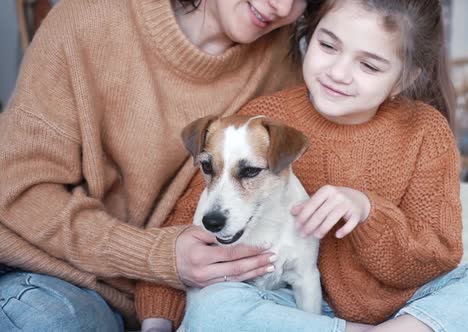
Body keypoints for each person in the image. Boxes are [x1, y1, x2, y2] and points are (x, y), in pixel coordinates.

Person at [136, 0, 468, 331]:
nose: (338, 72)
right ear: (308, 36)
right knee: (214, 310)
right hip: (283, 305)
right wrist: (158, 315)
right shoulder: (263, 119)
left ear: (405, 78)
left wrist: (368, 211)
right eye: (328, 45)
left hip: (405, 305)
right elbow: (187, 229)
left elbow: (437, 255)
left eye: (368, 65)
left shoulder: (425, 130)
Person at [0, 0, 318, 330]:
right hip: (45, 271)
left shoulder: (288, 62)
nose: (281, 6)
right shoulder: (86, 20)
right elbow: (17, 192)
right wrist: (157, 256)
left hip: (161, 299)